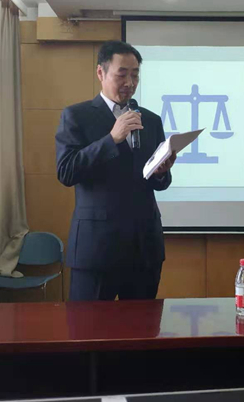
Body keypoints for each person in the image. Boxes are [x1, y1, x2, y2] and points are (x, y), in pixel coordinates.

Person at [55, 40, 176, 301]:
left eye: (135, 75)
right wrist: (111, 139)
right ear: (101, 72)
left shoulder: (151, 120)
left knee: (143, 324)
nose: (130, 83)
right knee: (89, 325)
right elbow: (66, 171)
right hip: (96, 249)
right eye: (122, 74)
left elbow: (159, 183)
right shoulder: (76, 116)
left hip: (144, 247)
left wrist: (161, 172)